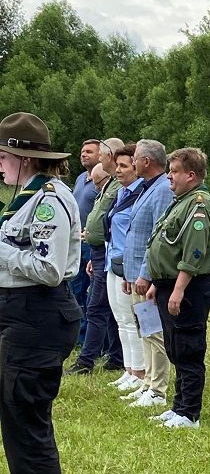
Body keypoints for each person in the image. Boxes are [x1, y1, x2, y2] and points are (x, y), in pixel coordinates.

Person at [0, 112, 82, 474]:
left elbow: (48, 269)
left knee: (26, 425)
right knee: (17, 423)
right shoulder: (28, 198)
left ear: (22, 158)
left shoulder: (50, 200)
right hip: (22, 315)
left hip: (38, 316)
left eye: (2, 156)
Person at [145, 148, 210, 429]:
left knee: (189, 348)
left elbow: (194, 252)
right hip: (169, 285)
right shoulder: (181, 201)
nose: (169, 176)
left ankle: (190, 413)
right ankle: (178, 406)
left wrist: (177, 290)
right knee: (176, 348)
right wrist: (158, 285)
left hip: (189, 288)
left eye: (174, 171)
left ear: (191, 175)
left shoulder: (198, 204)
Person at [65, 137, 125, 377]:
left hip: (106, 253)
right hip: (99, 252)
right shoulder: (103, 183)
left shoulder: (119, 187)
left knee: (98, 307)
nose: (96, 156)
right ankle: (115, 357)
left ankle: (88, 359)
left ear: (108, 155)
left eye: (99, 153)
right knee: (101, 305)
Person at [121, 139, 173, 409]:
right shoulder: (146, 188)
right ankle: (148, 381)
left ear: (147, 161)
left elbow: (157, 236)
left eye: (136, 158)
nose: (132, 163)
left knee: (154, 332)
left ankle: (158, 389)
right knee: (144, 329)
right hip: (134, 273)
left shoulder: (163, 189)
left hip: (147, 274)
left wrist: (146, 274)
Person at [104, 144, 145, 391]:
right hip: (112, 260)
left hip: (128, 263)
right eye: (117, 165)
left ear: (136, 167)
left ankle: (139, 372)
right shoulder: (121, 193)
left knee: (132, 320)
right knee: (120, 319)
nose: (118, 170)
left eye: (124, 166)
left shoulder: (139, 194)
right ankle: (129, 369)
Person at [70, 138, 101, 344]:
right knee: (76, 290)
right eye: (82, 150)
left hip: (92, 245)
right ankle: (77, 337)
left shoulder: (102, 181)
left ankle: (90, 339)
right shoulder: (81, 178)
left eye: (89, 151)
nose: (84, 154)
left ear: (100, 156)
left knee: (93, 295)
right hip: (76, 244)